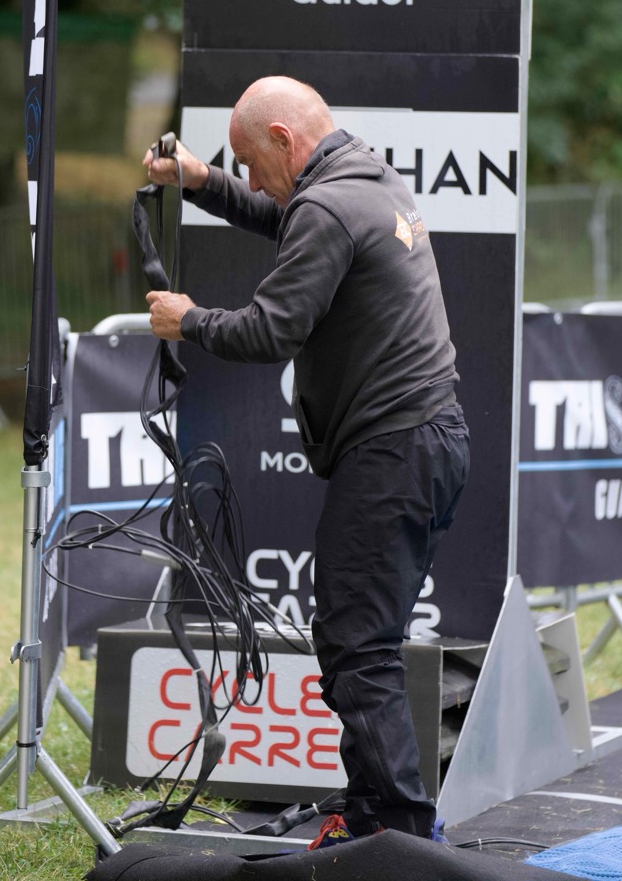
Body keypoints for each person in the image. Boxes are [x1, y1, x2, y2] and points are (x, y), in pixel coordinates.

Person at [143, 75, 469, 847]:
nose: (253, 182)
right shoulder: (366, 175)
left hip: (391, 450)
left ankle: (392, 834)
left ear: (286, 140)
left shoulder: (326, 205)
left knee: (356, 647)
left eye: (251, 163)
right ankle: (381, 817)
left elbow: (270, 330)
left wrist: (189, 321)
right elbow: (286, 215)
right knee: (364, 642)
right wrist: (203, 180)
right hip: (427, 441)